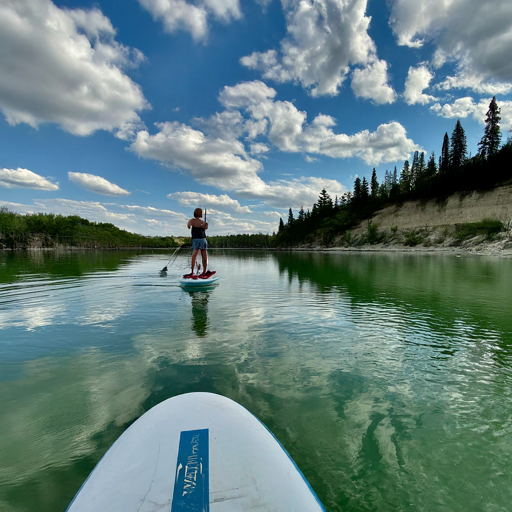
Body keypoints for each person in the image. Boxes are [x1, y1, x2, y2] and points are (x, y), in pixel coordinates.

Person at [187, 208, 208, 275]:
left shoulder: (191, 220)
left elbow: (188, 226)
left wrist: (193, 225)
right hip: (202, 239)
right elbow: (206, 228)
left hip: (195, 239)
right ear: (201, 214)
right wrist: (204, 224)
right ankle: (204, 271)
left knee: (194, 255)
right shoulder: (202, 222)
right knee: (204, 254)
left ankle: (192, 271)